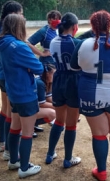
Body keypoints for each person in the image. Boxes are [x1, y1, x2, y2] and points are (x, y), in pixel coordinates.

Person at [71, 10, 110, 181]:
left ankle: (102, 171)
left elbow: (74, 67)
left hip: (88, 92)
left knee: (99, 134)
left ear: (92, 25)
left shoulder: (82, 44)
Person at [0, 14, 45, 178]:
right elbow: (39, 68)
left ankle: (13, 160)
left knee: (15, 127)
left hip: (13, 92)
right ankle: (24, 167)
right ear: (19, 27)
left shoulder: (2, 44)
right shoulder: (20, 46)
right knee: (27, 132)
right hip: (25, 93)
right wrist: (29, 67)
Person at [45, 12, 82, 168]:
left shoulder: (53, 41)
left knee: (59, 121)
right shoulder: (77, 43)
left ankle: (50, 153)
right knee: (71, 124)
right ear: (75, 27)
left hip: (58, 80)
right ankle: (68, 159)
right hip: (73, 81)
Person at [0, 0, 23, 157]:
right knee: (11, 113)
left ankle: (1, 143)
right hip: (8, 75)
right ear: (13, 14)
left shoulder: (0, 27)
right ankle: (8, 151)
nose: (22, 16)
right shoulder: (8, 29)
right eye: (20, 13)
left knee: (5, 110)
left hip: (1, 73)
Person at [27, 10, 62, 98]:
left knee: (55, 87)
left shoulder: (60, 30)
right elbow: (28, 43)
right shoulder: (44, 31)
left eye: (59, 19)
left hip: (57, 63)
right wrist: (41, 54)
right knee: (48, 87)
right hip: (47, 63)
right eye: (55, 19)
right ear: (49, 20)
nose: (57, 20)